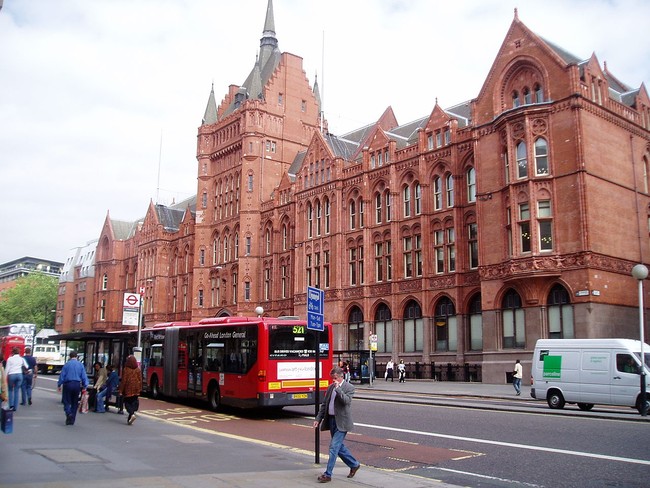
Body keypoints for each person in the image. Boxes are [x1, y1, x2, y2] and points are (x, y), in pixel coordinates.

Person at [313, 366, 361, 483]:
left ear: (341, 377)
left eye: (335, 378)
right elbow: (324, 405)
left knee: (334, 447)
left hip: (342, 422)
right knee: (338, 447)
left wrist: (338, 389)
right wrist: (318, 419)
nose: (333, 381)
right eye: (332, 379)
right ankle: (354, 464)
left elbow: (346, 401)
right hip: (331, 421)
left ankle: (328, 474)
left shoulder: (349, 387)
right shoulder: (330, 388)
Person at [57, 351, 89, 425]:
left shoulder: (67, 365)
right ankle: (72, 419)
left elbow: (62, 375)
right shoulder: (80, 365)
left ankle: (68, 413)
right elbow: (84, 376)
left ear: (69, 356)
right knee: (74, 402)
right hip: (77, 384)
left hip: (67, 384)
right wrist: (85, 386)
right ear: (77, 356)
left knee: (66, 400)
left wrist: (59, 385)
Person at [119, 354, 142, 425]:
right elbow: (140, 380)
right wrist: (140, 388)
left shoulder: (126, 369)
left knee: (127, 403)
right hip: (136, 389)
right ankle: (130, 419)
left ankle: (131, 414)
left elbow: (124, 381)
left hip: (128, 389)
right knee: (133, 403)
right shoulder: (138, 370)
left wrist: (120, 390)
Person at [5, 347, 25, 411]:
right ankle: (15, 407)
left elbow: (7, 368)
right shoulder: (21, 359)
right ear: (19, 352)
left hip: (12, 375)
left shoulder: (10, 359)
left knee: (10, 390)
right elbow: (26, 366)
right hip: (19, 375)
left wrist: (4, 377)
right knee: (17, 391)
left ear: (12, 352)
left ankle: (11, 405)